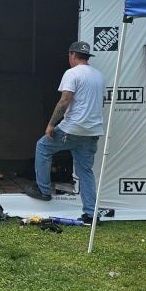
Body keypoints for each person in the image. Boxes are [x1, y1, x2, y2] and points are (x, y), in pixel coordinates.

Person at [28, 40, 106, 223]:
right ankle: (90, 214)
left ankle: (44, 190)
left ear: (72, 55)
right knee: (85, 170)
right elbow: (100, 103)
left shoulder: (72, 73)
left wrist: (51, 124)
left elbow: (65, 100)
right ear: (88, 57)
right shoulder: (99, 76)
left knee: (42, 147)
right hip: (92, 131)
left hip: (72, 128)